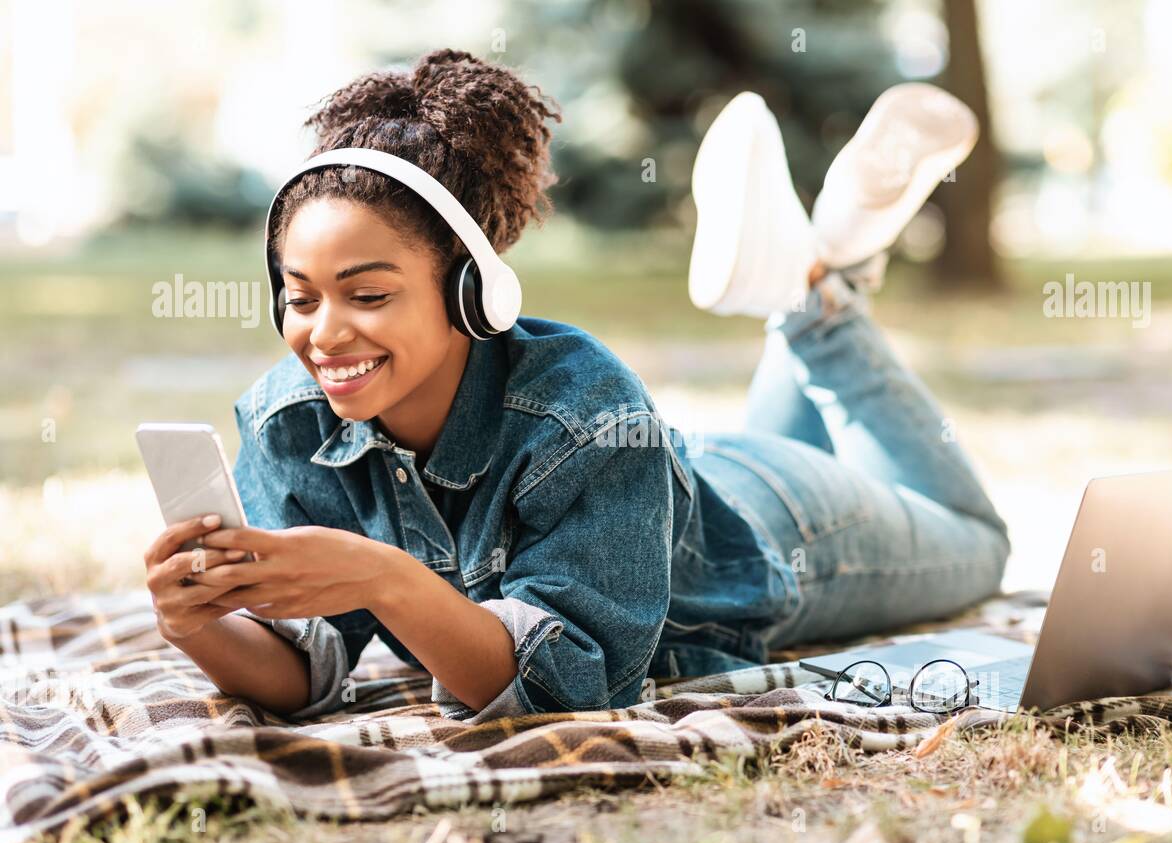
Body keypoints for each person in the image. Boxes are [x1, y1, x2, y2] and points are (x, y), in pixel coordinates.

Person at [142, 50, 1009, 722]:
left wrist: (384, 576)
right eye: (299, 298)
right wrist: (197, 625)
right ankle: (814, 270)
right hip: (662, 480)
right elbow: (304, 675)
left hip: (776, 529)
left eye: (368, 295)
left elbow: (568, 684)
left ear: (472, 293)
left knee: (978, 544)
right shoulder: (292, 426)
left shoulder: (583, 408)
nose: (323, 334)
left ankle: (821, 299)